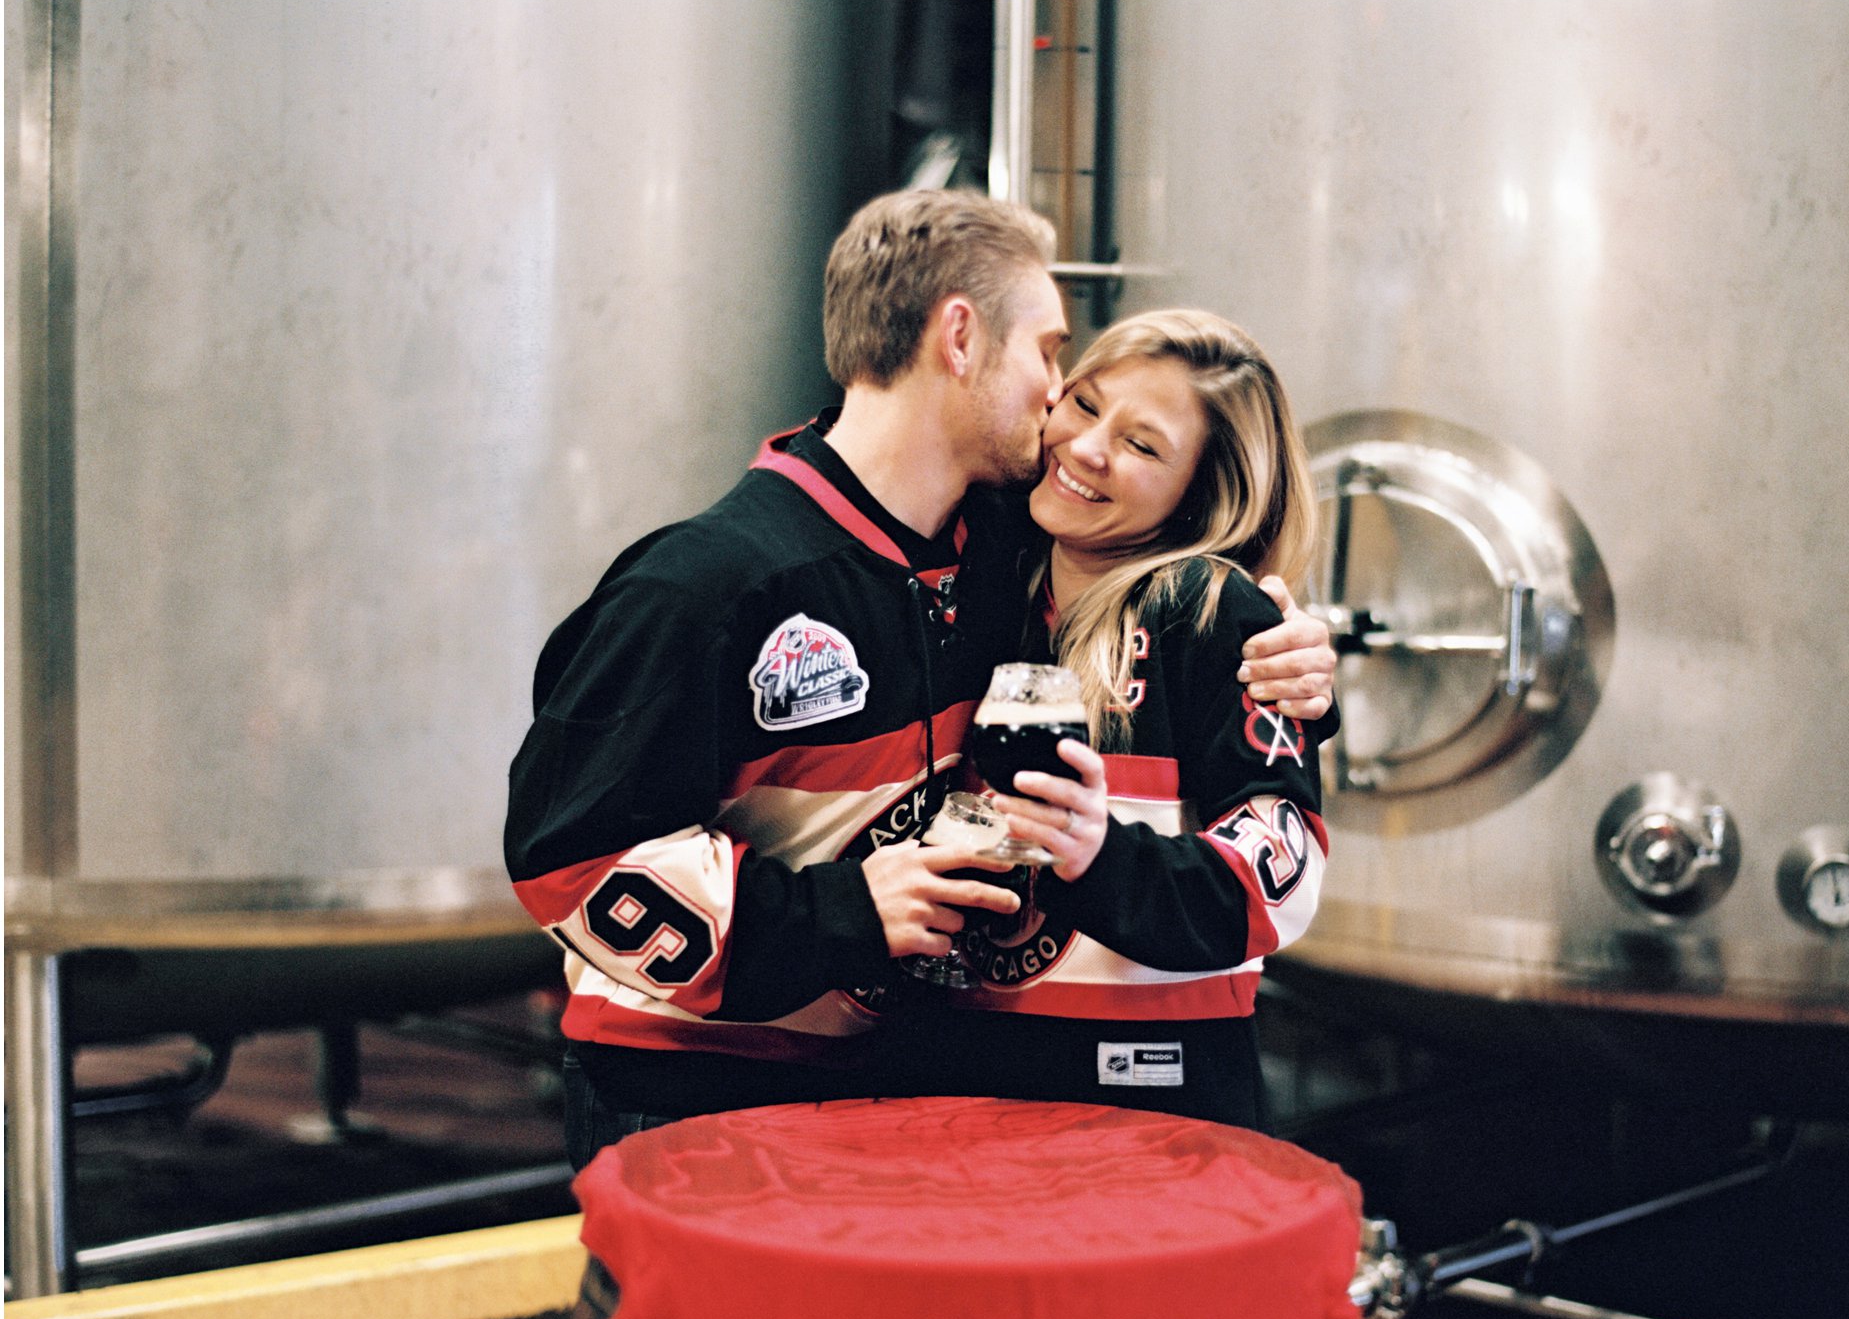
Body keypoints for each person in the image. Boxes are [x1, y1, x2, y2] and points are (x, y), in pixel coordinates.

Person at [504, 192, 1336, 1170]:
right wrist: (849, 914)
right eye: (1050, 356)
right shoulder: (704, 583)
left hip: (889, 1088)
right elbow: (571, 857)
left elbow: (1179, 620)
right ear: (959, 337)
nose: (1060, 404)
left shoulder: (996, 559)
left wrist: (1293, 674)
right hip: (692, 1092)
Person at [896, 309, 1330, 1131]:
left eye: (1143, 445)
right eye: (1086, 405)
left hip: (1151, 1109)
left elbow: (1284, 885)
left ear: (1201, 493)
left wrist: (1099, 857)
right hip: (962, 1082)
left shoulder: (1207, 610)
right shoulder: (990, 568)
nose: (1089, 449)